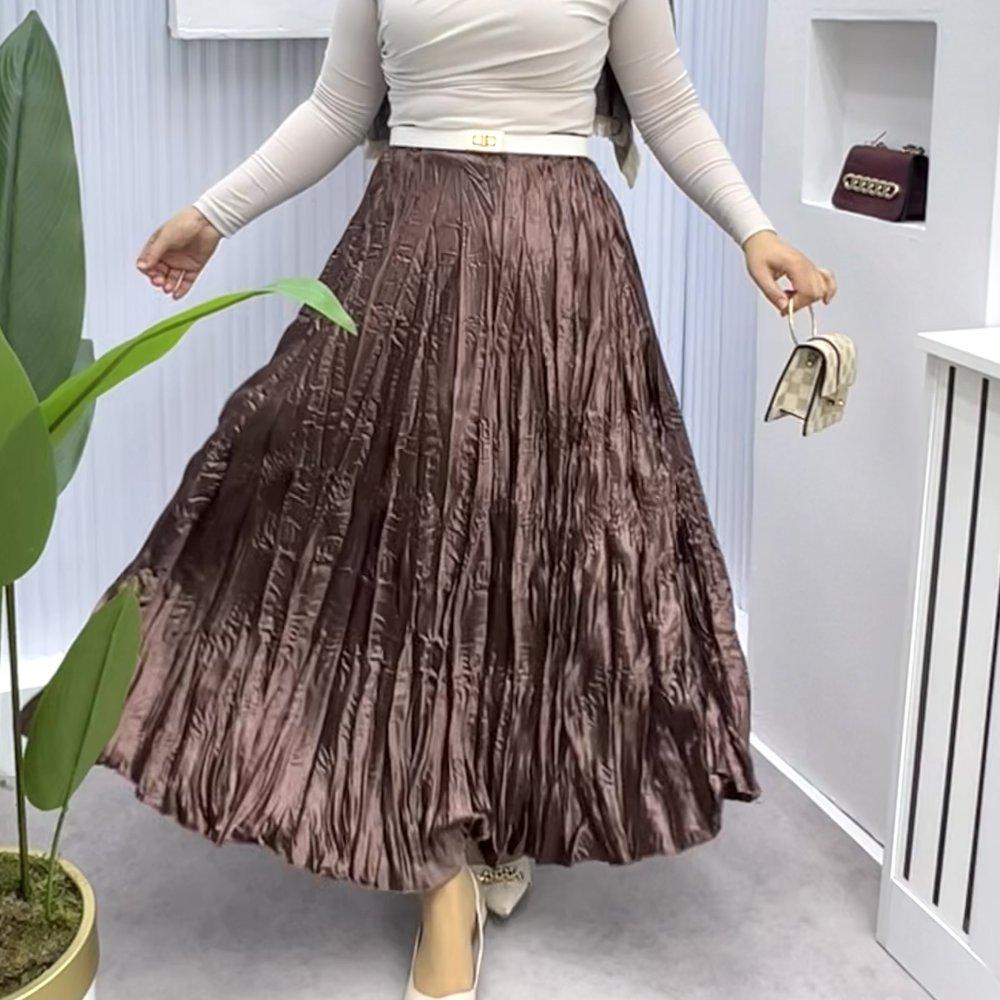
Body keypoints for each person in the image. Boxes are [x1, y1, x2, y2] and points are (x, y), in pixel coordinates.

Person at [103, 1, 837, 997]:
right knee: (418, 543)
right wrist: (211, 214)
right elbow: (339, 108)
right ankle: (441, 873)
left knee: (535, 538)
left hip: (561, 264)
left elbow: (668, 111)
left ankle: (496, 804)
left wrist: (756, 230)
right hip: (412, 249)